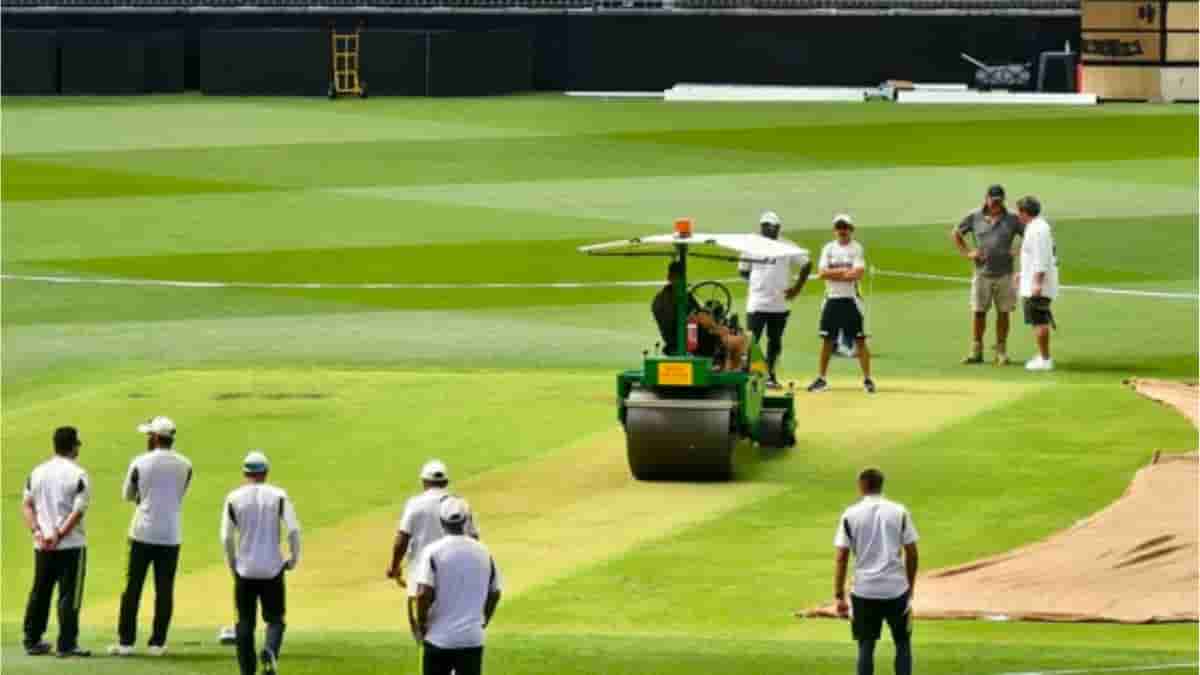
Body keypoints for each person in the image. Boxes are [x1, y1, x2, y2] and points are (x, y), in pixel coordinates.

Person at [110, 416, 193, 657]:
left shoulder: (140, 462)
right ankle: (157, 643)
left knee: (132, 587)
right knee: (164, 589)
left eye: (149, 436)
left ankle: (126, 642)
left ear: (156, 437)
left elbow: (128, 494)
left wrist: (143, 497)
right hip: (170, 534)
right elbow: (180, 494)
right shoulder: (185, 464)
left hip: (142, 532)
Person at [221, 451, 302, 675]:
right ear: (266, 472)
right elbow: (293, 530)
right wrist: (293, 559)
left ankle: (247, 671)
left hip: (244, 569)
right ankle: (270, 651)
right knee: (276, 619)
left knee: (244, 623)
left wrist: (232, 563)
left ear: (245, 473)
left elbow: (226, 537)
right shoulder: (278, 496)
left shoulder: (233, 498)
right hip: (272, 569)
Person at [833, 468, 919, 675]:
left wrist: (839, 595)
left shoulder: (850, 515)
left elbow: (841, 557)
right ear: (881, 485)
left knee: (866, 646)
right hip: (896, 589)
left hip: (864, 591)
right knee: (903, 642)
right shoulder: (899, 512)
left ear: (861, 486)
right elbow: (912, 553)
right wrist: (910, 587)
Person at [387, 460, 480, 642]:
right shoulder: (460, 505)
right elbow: (474, 541)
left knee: (423, 636)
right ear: (446, 482)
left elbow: (402, 540)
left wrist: (394, 567)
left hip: (420, 579)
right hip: (454, 580)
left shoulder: (415, 504)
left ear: (424, 482)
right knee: (454, 635)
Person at [21, 426, 92, 658]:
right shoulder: (78, 474)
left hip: (42, 545)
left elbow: (27, 505)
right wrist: (59, 535)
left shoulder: (37, 472)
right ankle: (67, 643)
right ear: (73, 446)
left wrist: (37, 533)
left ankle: (32, 639)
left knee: (40, 591)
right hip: (70, 545)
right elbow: (78, 511)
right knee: (69, 595)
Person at [413, 497, 502, 675]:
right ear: (465, 521)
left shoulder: (433, 551)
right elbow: (495, 592)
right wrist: (483, 620)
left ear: (441, 521)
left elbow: (423, 594)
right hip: (472, 639)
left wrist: (421, 623)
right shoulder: (483, 551)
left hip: (439, 638)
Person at [952, 184, 1025, 365]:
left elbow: (1029, 235)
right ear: (987, 198)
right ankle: (976, 351)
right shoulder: (974, 216)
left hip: (1005, 274)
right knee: (978, 312)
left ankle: (1001, 351)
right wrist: (968, 253)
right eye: (993, 201)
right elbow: (956, 233)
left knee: (1004, 312)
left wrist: (1018, 250)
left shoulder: (1012, 218)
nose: (996, 205)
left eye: (999, 201)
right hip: (982, 273)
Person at [738, 210, 812, 388]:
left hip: (779, 305)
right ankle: (758, 372)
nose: (768, 229)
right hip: (756, 303)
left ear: (778, 228)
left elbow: (807, 264)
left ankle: (770, 375)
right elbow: (743, 270)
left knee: (775, 342)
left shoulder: (786, 245)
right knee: (752, 341)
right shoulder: (752, 245)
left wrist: (797, 288)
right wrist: (759, 284)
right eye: (765, 226)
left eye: (771, 226)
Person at [808, 215, 874, 394]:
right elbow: (822, 273)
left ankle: (868, 379)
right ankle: (822, 379)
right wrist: (844, 271)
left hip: (851, 299)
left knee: (860, 340)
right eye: (839, 228)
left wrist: (833, 273)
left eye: (845, 227)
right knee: (827, 341)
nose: (842, 231)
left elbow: (857, 273)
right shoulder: (828, 248)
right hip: (832, 299)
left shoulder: (856, 248)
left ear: (851, 229)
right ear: (834, 230)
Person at [652, 261, 747, 371]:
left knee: (720, 333)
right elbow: (701, 318)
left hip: (673, 343)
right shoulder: (682, 297)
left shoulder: (658, 300)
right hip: (691, 343)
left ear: (668, 276)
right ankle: (732, 372)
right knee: (739, 340)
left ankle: (724, 365)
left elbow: (694, 318)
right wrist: (718, 329)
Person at [1015, 195, 1059, 371]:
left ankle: (1045, 359)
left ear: (1025, 212)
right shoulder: (1036, 227)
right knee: (1036, 320)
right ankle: (1042, 355)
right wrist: (1023, 274)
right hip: (1033, 280)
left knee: (1039, 320)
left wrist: (1036, 283)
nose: (1018, 216)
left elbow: (1041, 258)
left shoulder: (1038, 230)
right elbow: (1033, 256)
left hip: (1039, 284)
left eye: (1019, 212)